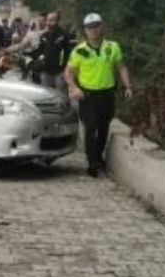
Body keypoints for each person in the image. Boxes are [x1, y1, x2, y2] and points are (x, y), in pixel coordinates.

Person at [64, 13, 133, 177]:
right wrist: (74, 88)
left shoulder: (112, 47)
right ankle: (92, 164)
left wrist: (127, 85)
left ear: (102, 27)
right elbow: (68, 73)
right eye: (90, 27)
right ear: (85, 30)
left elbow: (121, 67)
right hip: (88, 96)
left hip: (107, 95)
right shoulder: (79, 51)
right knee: (91, 128)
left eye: (96, 26)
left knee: (103, 129)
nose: (93, 30)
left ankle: (98, 158)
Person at [34, 12, 75, 90]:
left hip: (59, 72)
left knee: (60, 96)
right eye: (48, 20)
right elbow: (39, 51)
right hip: (46, 71)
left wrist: (65, 69)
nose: (48, 23)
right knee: (46, 96)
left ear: (57, 21)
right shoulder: (44, 36)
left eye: (52, 20)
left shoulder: (64, 35)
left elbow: (69, 53)